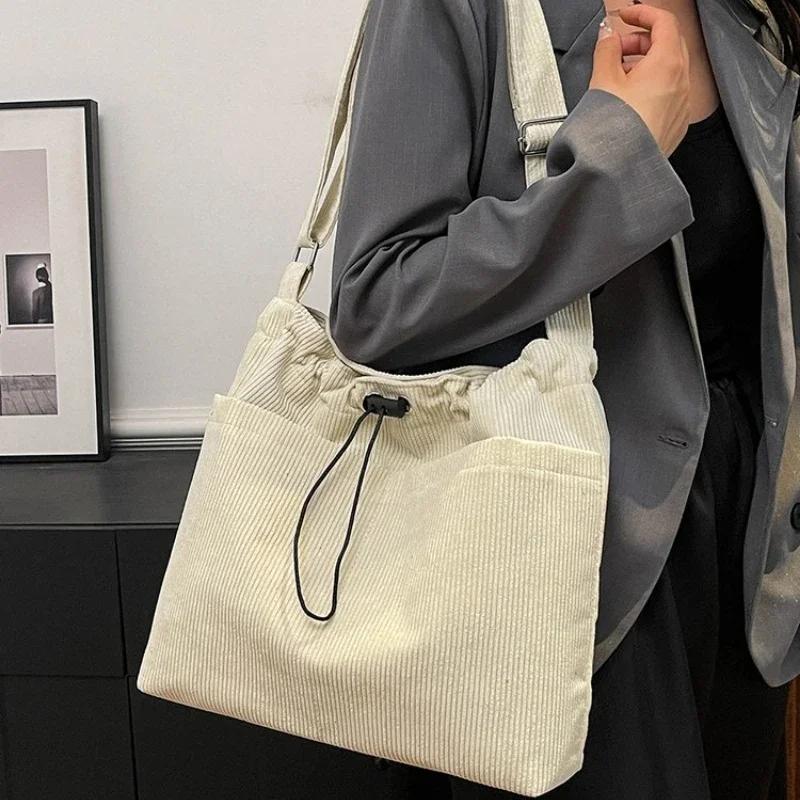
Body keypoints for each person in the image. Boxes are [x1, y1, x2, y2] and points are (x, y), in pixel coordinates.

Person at [326, 0, 800, 797]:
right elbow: (378, 300)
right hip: (563, 564)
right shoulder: (458, 12)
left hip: (750, 561)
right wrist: (617, 159)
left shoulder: (745, 12)